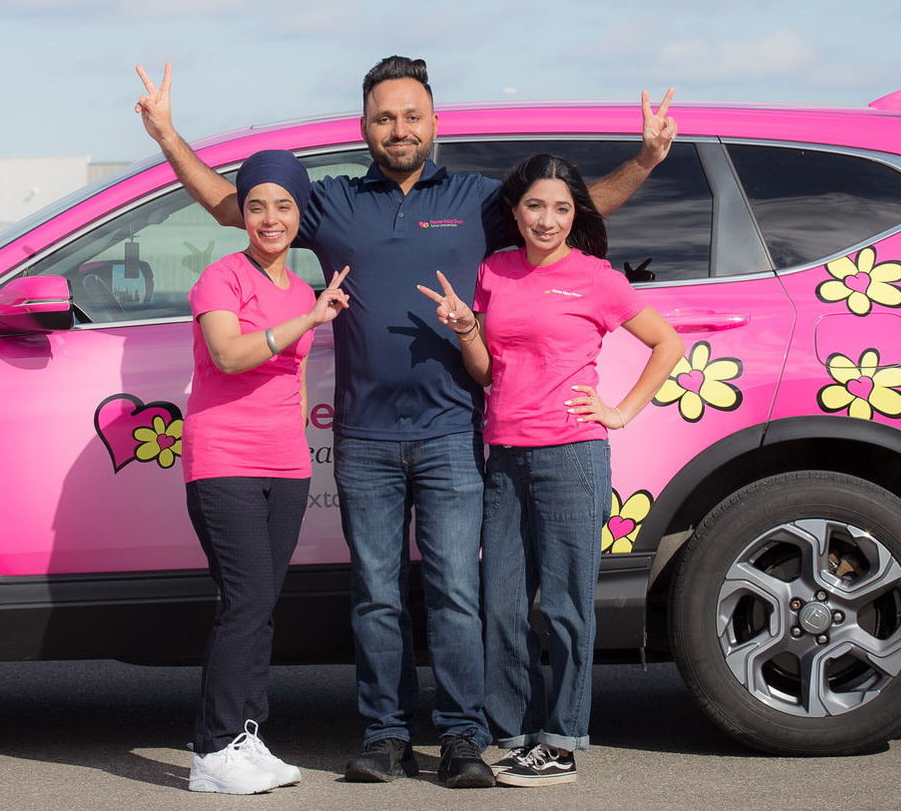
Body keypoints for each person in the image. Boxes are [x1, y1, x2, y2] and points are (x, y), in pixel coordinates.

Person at [136, 57, 676, 788]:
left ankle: (460, 736)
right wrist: (168, 135)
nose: (398, 128)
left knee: (457, 591)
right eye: (384, 117)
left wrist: (643, 159)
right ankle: (385, 733)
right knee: (377, 595)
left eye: (411, 115)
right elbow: (235, 208)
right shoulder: (328, 205)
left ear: (432, 121)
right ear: (365, 126)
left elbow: (573, 209)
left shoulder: (477, 199)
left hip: (453, 433)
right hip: (361, 436)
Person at [418, 153, 684, 787]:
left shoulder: (595, 278)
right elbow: (487, 372)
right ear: (515, 211)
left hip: (571, 454)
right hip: (505, 454)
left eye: (562, 208)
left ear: (575, 216)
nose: (547, 219)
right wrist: (465, 329)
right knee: (502, 602)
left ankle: (562, 742)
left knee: (564, 604)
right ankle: (515, 732)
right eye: (535, 206)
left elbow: (667, 343)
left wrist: (619, 411)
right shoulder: (494, 272)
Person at [181, 149, 351, 794]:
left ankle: (246, 736)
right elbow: (227, 355)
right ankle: (211, 750)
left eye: (283, 206)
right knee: (245, 601)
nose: (270, 218)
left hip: (283, 463)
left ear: (298, 213)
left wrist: (299, 444)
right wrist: (305, 321)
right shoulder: (221, 279)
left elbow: (297, 376)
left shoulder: (302, 287)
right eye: (256, 206)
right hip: (223, 459)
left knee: (262, 606)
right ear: (242, 215)